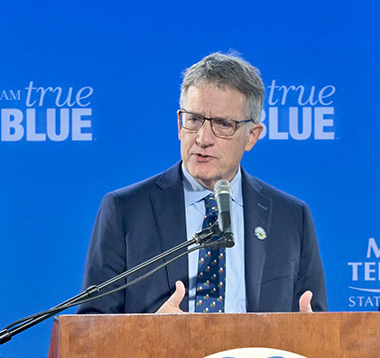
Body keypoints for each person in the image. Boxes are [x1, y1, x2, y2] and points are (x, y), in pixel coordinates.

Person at [78, 52, 326, 314]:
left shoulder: (289, 217)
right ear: (179, 124)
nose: (203, 138)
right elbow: (91, 326)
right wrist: (146, 335)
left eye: (223, 124)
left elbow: (316, 325)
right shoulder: (126, 210)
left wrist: (310, 334)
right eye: (194, 120)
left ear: (252, 136)